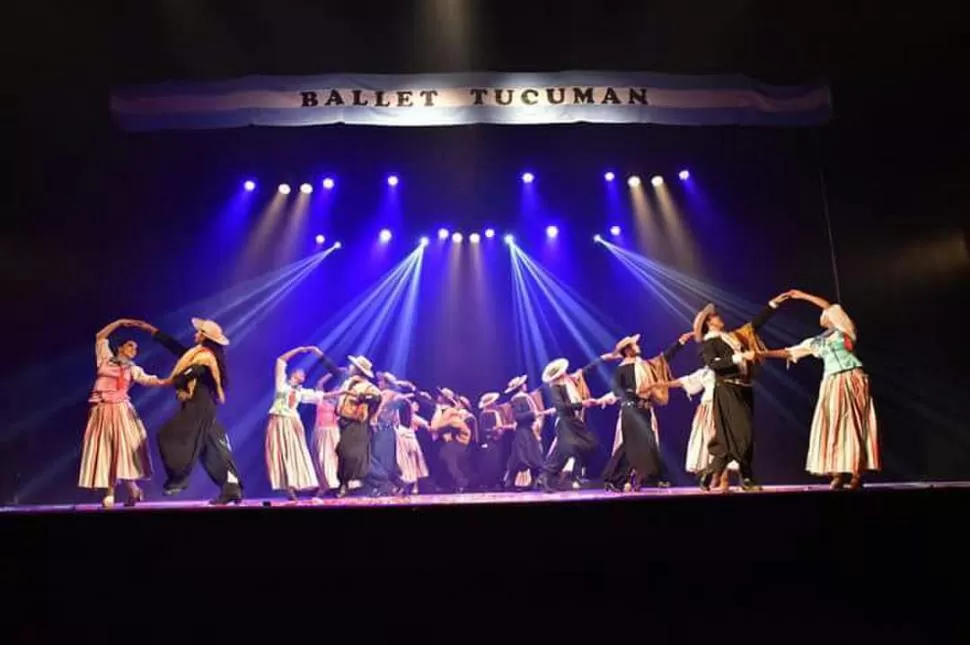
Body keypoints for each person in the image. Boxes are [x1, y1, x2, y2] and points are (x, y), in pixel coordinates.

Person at [754, 290, 879, 489]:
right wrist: (762, 353)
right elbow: (790, 351)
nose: (824, 314)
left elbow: (828, 306)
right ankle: (837, 472)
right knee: (832, 426)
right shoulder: (816, 341)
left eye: (826, 313)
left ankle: (856, 472)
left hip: (850, 376)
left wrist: (802, 295)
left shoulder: (844, 328)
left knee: (853, 424)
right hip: (831, 382)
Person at [693, 292, 791, 492]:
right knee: (743, 434)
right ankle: (747, 478)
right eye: (715, 316)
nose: (719, 317)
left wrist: (772, 306)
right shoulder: (709, 343)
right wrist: (739, 358)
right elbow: (713, 365)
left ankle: (710, 473)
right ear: (709, 323)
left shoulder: (732, 337)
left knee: (729, 439)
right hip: (727, 388)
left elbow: (753, 326)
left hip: (744, 388)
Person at [150, 317, 243, 505]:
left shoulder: (205, 358)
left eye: (199, 332)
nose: (195, 334)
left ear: (205, 337)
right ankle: (232, 489)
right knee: (214, 449)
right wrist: (154, 332)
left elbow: (189, 373)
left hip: (199, 407)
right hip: (201, 406)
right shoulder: (198, 354)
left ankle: (179, 478)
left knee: (167, 435)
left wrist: (170, 382)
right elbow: (178, 350)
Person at [78, 319, 167, 508]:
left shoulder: (132, 369)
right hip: (101, 410)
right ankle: (116, 492)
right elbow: (100, 337)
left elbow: (150, 380)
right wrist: (119, 323)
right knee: (104, 450)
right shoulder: (105, 359)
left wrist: (171, 380)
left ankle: (129, 489)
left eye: (136, 348)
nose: (134, 350)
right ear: (120, 348)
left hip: (120, 410)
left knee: (122, 451)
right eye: (130, 346)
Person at [601, 331, 692, 491]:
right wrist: (634, 392)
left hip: (644, 410)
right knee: (632, 445)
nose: (638, 346)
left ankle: (642, 478)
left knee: (646, 443)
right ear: (628, 350)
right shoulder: (621, 369)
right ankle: (613, 477)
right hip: (631, 410)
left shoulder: (645, 365)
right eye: (635, 345)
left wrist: (680, 343)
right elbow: (617, 391)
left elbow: (663, 360)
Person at [650, 367, 739, 490]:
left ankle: (724, 480)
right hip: (707, 408)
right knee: (709, 443)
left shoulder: (725, 367)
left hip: (722, 407)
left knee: (723, 442)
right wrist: (664, 384)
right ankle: (715, 478)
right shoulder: (705, 372)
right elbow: (686, 380)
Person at [537, 354, 615, 493]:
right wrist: (582, 403)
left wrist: (602, 359)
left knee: (589, 444)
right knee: (565, 449)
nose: (566, 373)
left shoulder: (570, 381)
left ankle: (553, 475)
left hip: (575, 422)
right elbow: (561, 407)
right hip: (565, 422)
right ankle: (548, 477)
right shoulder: (555, 388)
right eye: (563, 372)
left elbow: (586, 371)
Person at [265, 346, 329, 501]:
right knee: (281, 453)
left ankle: (294, 485)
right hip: (278, 420)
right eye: (301, 373)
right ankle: (287, 487)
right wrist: (298, 350)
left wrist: (342, 392)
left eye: (304, 375)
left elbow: (320, 396)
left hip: (292, 422)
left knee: (294, 452)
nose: (303, 376)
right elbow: (280, 360)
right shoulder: (282, 384)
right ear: (293, 374)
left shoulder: (301, 392)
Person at [318, 352, 382, 497]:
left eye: (353, 366)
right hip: (345, 422)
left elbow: (377, 397)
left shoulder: (367, 386)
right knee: (343, 453)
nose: (350, 367)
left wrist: (361, 397)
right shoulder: (348, 382)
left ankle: (372, 481)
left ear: (358, 369)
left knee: (350, 454)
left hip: (358, 423)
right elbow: (333, 370)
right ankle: (344, 484)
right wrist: (320, 356)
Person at [475, 392, 513, 491]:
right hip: (490, 440)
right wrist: (493, 430)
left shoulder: (497, 412)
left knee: (498, 461)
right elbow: (483, 429)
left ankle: (497, 482)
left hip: (499, 441)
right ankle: (488, 483)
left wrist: (504, 428)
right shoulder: (484, 414)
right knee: (491, 462)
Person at [395, 399, 430, 494]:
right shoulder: (412, 417)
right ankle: (413, 487)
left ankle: (408, 485)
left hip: (403, 440)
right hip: (410, 440)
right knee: (412, 463)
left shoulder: (404, 416)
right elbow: (426, 424)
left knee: (405, 464)